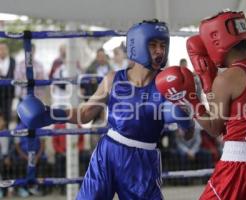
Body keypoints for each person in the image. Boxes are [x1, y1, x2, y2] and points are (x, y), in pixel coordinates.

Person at [17, 19, 193, 200]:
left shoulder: (168, 86)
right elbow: (85, 114)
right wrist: (50, 114)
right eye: (153, 45)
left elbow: (186, 135)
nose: (159, 51)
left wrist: (185, 120)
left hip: (143, 162)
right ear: (137, 45)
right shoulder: (113, 79)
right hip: (108, 153)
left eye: (163, 45)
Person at [156, 10, 246, 199]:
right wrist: (209, 83)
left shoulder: (227, 79)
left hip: (239, 168)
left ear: (216, 40)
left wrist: (189, 100)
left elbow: (215, 128)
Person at [0, 42, 16, 128]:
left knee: (7, 116)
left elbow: (16, 75)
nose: (2, 51)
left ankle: (7, 139)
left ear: (7, 50)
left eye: (4, 49)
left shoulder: (13, 61)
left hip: (9, 93)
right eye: (0, 49)